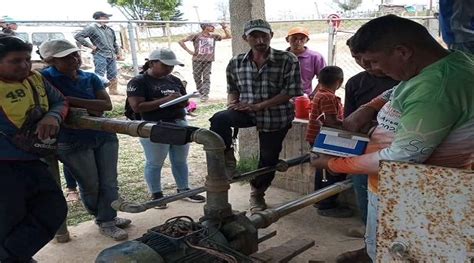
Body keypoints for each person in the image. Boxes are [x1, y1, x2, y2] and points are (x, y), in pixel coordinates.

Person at [309, 15, 474, 262]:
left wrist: (333, 164)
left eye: (375, 62)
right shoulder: (446, 64)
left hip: (416, 194)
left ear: (403, 52)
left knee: (399, 253)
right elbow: (400, 89)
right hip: (395, 186)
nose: (375, 70)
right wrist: (370, 107)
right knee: (380, 246)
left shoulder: (437, 88)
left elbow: (400, 159)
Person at [39, 39, 131, 241]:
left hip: (104, 135)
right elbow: (94, 106)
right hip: (71, 140)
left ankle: (107, 219)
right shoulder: (43, 79)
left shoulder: (90, 77)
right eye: (66, 57)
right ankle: (103, 216)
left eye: (75, 54)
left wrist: (68, 100)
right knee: (90, 184)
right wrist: (90, 105)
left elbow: (105, 105)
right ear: (51, 60)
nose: (74, 59)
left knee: (110, 181)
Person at [209, 19, 303, 213]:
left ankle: (257, 194)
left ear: (271, 36)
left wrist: (258, 106)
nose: (260, 40)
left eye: (264, 35)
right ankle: (227, 159)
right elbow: (233, 88)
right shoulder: (236, 62)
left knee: (268, 159)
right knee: (220, 119)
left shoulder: (287, 59)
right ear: (246, 38)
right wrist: (233, 103)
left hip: (275, 115)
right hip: (248, 112)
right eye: (254, 36)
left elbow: (291, 91)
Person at [0, 35, 68, 261]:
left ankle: (13, 255)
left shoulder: (36, 79)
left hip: (32, 160)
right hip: (4, 166)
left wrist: (53, 117)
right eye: (16, 60)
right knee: (10, 218)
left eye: (27, 59)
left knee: (54, 208)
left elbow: (60, 101)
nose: (24, 65)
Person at [334, 36, 400, 262]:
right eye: (357, 58)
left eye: (369, 58)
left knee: (396, 212)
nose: (364, 63)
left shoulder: (403, 79)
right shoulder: (355, 82)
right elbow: (351, 122)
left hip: (401, 159)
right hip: (365, 150)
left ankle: (386, 251)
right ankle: (369, 246)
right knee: (365, 196)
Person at [126, 48, 206, 208]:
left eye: (172, 66)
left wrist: (184, 100)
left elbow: (183, 102)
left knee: (180, 160)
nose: (170, 69)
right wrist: (165, 100)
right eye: (166, 65)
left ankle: (183, 189)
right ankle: (156, 195)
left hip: (178, 122)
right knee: (155, 162)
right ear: (152, 63)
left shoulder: (174, 80)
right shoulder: (138, 82)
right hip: (154, 125)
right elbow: (137, 107)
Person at [304, 66, 351, 218]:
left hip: (317, 138)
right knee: (332, 172)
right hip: (325, 140)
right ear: (339, 82)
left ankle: (320, 200)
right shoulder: (329, 98)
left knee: (322, 171)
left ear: (319, 80)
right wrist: (349, 124)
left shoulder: (319, 94)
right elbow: (330, 121)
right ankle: (326, 205)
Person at [178, 22, 231, 102]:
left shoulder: (213, 36)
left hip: (208, 60)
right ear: (206, 27)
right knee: (197, 76)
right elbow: (181, 41)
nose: (213, 28)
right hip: (197, 60)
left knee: (206, 77)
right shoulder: (196, 35)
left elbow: (228, 36)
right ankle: (200, 91)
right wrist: (189, 51)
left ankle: (205, 94)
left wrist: (224, 28)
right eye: (211, 26)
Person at [75, 11, 122, 95]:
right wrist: (90, 46)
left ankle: (113, 91)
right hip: (100, 54)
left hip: (111, 54)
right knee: (99, 74)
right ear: (100, 18)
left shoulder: (109, 29)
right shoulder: (92, 28)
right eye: (106, 17)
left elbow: (114, 42)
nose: (108, 19)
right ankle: (99, 92)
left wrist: (118, 52)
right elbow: (78, 36)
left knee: (113, 73)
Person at [285, 26, 326, 96]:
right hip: (282, 98)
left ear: (307, 40)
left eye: (302, 39)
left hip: (304, 97)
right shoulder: (281, 57)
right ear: (287, 39)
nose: (298, 42)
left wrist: (313, 95)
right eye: (294, 38)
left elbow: (324, 79)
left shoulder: (316, 57)